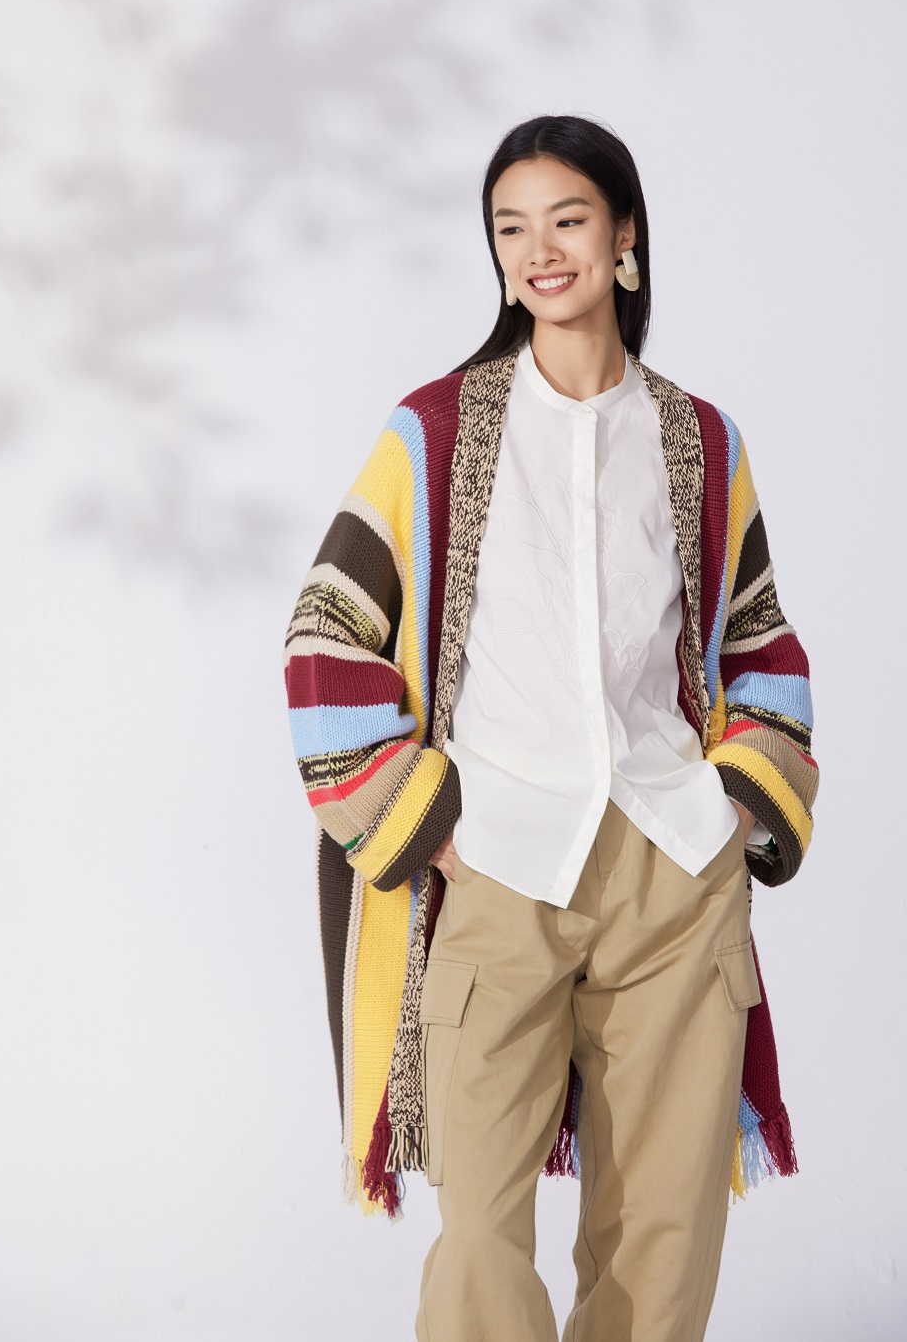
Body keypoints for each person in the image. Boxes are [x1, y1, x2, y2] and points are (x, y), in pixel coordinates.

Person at [283, 114, 818, 1342]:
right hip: (494, 864)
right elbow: (325, 632)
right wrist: (423, 826)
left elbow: (758, 637)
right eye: (510, 227)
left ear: (623, 235)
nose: (539, 251)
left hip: (672, 871)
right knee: (479, 1233)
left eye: (566, 220)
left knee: (662, 1234)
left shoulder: (699, 439)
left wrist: (734, 805)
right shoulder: (435, 430)